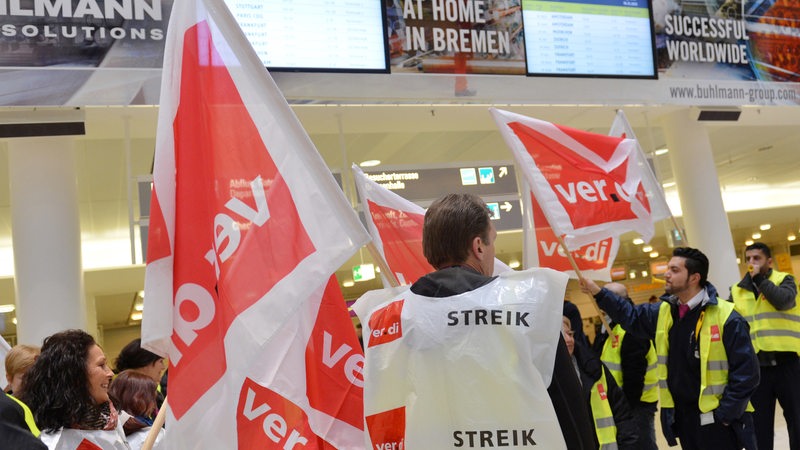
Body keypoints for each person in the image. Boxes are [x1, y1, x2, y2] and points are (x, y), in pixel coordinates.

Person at [407, 193, 595, 449]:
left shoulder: (398, 317)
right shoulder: (526, 308)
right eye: (493, 240)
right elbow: (565, 403)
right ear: (479, 246)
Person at [581, 247, 759, 450]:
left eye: (674, 270)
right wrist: (598, 292)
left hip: (718, 422)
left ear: (694, 278)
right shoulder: (664, 312)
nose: (666, 274)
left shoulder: (727, 317)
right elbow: (630, 315)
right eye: (667, 269)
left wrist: (725, 415)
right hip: (684, 419)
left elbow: (747, 373)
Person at [730, 242, 800, 450]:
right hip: (757, 369)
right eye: (748, 259)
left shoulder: (785, 280)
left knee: (797, 419)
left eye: (757, 258)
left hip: (787, 363)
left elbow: (784, 301)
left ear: (769, 261)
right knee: (759, 425)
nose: (752, 263)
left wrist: (760, 279)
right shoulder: (738, 290)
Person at [21, 329, 127, 449]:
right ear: (75, 376)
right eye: (101, 365)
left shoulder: (110, 419)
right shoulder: (55, 443)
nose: (110, 373)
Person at [593, 283, 659, 450]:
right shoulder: (609, 324)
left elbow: (635, 374)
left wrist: (624, 407)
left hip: (635, 404)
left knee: (641, 445)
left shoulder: (631, 328)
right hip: (619, 401)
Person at [562, 316, 639, 449]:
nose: (569, 340)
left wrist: (628, 445)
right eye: (562, 336)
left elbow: (621, 412)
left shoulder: (594, 368)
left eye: (570, 334)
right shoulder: (543, 379)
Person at [109, 370, 164, 449]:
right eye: (152, 398)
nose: (154, 405)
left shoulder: (104, 428)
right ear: (139, 400)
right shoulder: (152, 437)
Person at [115, 338, 166, 410]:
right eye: (161, 361)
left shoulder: (151, 394)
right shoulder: (132, 399)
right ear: (145, 362)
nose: (163, 367)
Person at [3, 344, 42, 440]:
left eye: (36, 377)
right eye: (24, 378)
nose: (31, 383)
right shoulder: (4, 410)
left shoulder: (50, 407)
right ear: (9, 379)